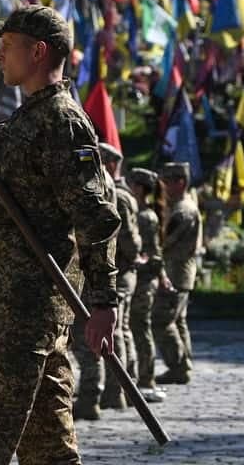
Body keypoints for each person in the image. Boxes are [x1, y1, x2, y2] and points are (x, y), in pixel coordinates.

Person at [0, 5, 121, 464]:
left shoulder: (61, 121)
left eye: (8, 46)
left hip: (27, 306)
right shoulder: (29, 118)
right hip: (24, 303)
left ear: (38, 52)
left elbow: (95, 215)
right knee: (47, 448)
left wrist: (104, 302)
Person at [73, 141, 141, 420]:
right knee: (110, 334)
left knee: (87, 338)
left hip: (93, 270)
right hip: (102, 269)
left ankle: (92, 396)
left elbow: (119, 236)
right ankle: (114, 391)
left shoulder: (95, 184)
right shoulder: (109, 185)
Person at [151, 161, 199, 386]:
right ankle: (184, 365)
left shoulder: (182, 211)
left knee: (161, 320)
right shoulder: (180, 206)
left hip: (176, 273)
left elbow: (165, 241)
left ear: (181, 183)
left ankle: (178, 366)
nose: (163, 186)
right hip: (179, 272)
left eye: (167, 181)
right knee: (178, 321)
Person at [125, 167, 170, 403]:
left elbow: (152, 250)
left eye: (131, 184)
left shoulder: (145, 216)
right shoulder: (141, 212)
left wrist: (159, 275)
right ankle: (142, 377)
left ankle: (146, 378)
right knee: (137, 327)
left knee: (140, 328)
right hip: (142, 277)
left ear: (140, 189)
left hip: (144, 279)